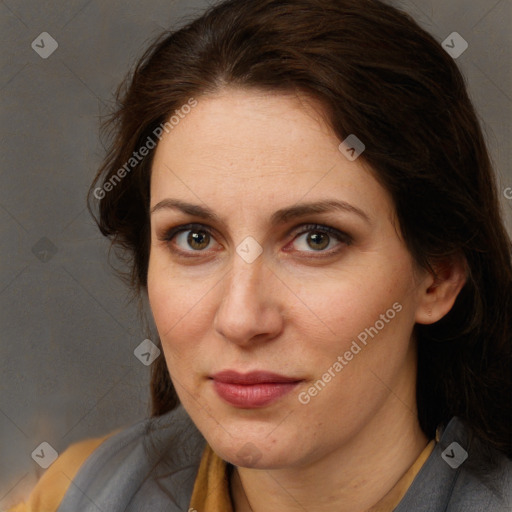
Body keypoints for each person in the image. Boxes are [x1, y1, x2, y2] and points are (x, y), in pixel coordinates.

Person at [10, 0, 512, 510]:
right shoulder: (72, 494)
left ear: (439, 276)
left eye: (317, 238)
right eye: (195, 238)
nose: (241, 318)